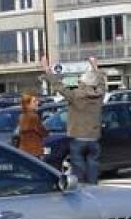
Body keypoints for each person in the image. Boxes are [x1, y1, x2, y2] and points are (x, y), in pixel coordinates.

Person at [45, 56, 106, 184]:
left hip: (78, 137)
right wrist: (95, 67)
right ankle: (93, 187)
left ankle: (81, 190)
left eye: (79, 82)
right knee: (93, 165)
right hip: (94, 137)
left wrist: (47, 70)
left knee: (78, 168)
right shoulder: (99, 95)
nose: (78, 84)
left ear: (83, 84)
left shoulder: (75, 96)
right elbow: (101, 83)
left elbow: (59, 86)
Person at [16, 92, 47, 158]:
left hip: (24, 150)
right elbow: (43, 132)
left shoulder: (22, 116)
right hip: (34, 151)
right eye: (34, 101)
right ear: (27, 104)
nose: (37, 103)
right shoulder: (33, 116)